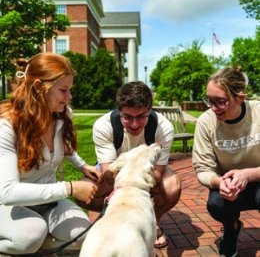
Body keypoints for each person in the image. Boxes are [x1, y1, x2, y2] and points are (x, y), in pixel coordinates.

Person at [0, 52, 101, 255]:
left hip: (48, 201)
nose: (69, 97)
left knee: (85, 235)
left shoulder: (62, 115)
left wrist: (82, 165)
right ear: (38, 87)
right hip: (9, 205)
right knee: (31, 235)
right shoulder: (7, 126)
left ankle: (37, 247)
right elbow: (8, 192)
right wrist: (70, 188)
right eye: (63, 90)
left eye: (70, 90)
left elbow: (64, 146)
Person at [76, 81, 181, 248]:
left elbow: (158, 175)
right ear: (119, 111)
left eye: (141, 116)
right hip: (116, 174)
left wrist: (132, 183)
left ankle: (153, 221)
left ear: (150, 110)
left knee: (171, 187)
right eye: (127, 117)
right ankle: (109, 218)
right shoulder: (104, 126)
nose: (134, 124)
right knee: (84, 189)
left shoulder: (163, 127)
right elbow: (109, 176)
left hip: (147, 172)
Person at [192, 67, 260, 257]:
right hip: (229, 186)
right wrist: (218, 182)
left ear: (240, 97)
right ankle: (231, 229)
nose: (213, 108)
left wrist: (248, 174)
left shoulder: (258, 113)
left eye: (220, 101)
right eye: (209, 100)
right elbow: (203, 168)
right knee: (216, 204)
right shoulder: (206, 122)